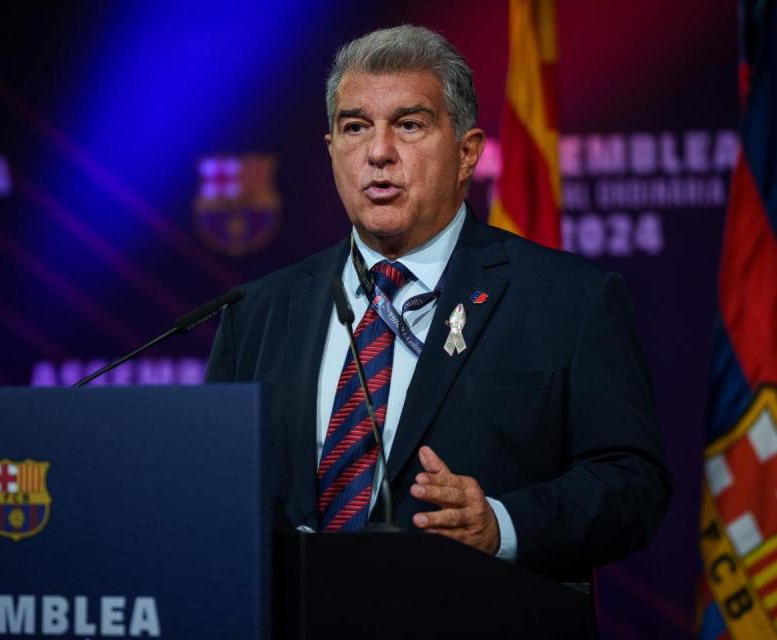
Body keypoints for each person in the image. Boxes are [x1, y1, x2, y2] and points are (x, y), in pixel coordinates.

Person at [207, 25, 671, 582]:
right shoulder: (257, 311)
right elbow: (215, 483)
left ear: (467, 152)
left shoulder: (566, 299)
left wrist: (502, 524)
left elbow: (631, 482)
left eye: (409, 125)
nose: (378, 153)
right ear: (332, 150)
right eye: (355, 127)